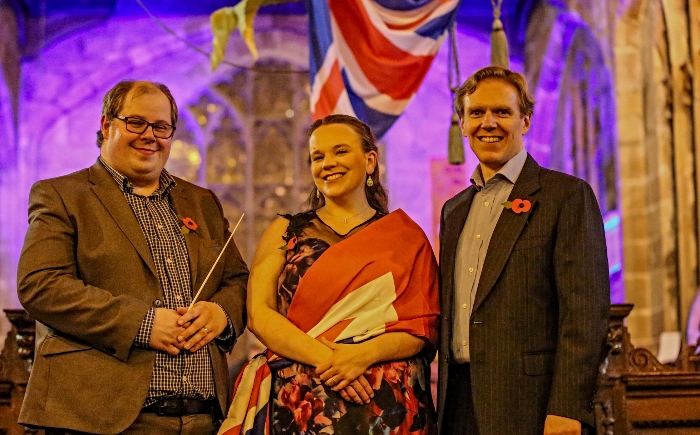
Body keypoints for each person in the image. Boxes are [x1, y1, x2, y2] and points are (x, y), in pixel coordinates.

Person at [17, 80, 249, 435]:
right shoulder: (62, 195)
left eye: (161, 127)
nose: (150, 136)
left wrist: (221, 314)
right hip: (100, 419)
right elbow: (40, 286)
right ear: (107, 126)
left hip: (205, 418)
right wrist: (142, 324)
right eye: (136, 123)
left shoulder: (202, 202)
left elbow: (236, 281)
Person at [217, 114, 440, 435]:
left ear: (370, 160)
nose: (327, 163)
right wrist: (332, 362)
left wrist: (362, 356)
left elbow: (423, 324)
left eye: (340, 151)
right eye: (317, 157)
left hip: (385, 405)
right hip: (302, 402)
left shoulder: (407, 236)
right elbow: (259, 314)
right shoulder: (284, 231)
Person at [437, 66, 610, 435]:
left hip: (532, 404)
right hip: (459, 404)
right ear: (463, 124)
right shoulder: (453, 211)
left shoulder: (565, 196)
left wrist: (568, 408)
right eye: (476, 112)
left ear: (525, 120)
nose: (489, 122)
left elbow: (585, 312)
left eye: (502, 112)